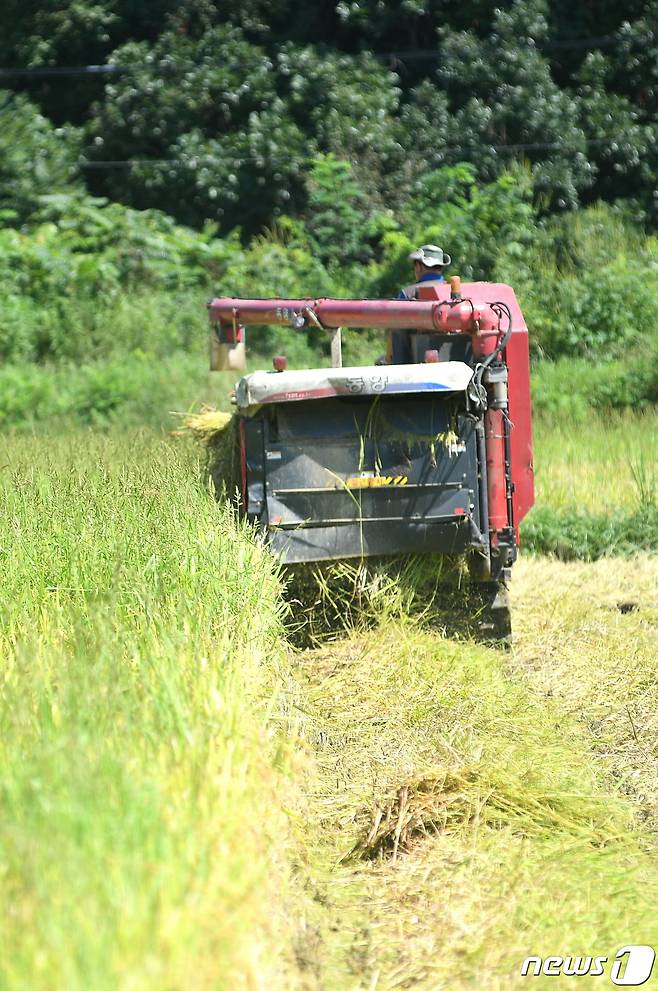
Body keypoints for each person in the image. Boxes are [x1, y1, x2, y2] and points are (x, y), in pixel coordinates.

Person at [381, 244, 451, 364]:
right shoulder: (453, 292)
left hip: (413, 365)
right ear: (440, 267)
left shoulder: (407, 293)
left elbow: (395, 334)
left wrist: (389, 361)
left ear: (418, 266)